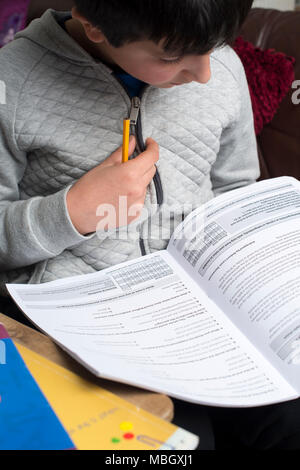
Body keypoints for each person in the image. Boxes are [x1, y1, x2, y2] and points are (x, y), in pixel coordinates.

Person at [1, 0, 299, 449]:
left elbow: (235, 188)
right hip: (84, 326)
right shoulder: (12, 78)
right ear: (93, 24)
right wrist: (73, 210)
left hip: (200, 313)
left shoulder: (220, 63)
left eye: (217, 46)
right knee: (177, 446)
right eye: (172, 56)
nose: (206, 74)